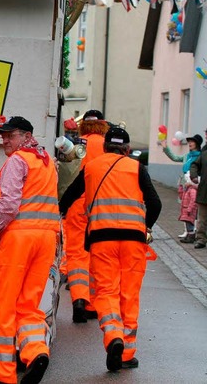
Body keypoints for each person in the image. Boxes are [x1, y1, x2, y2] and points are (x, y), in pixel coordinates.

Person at [60, 126, 161, 372]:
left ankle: (113, 334)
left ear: (105, 147)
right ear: (127, 149)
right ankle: (127, 353)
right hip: (133, 241)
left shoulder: (92, 168)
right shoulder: (137, 168)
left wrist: (59, 215)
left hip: (101, 239)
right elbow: (155, 204)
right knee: (129, 293)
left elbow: (68, 197)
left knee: (105, 291)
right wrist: (145, 227)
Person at [0, 116, 59, 384]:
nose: (4, 140)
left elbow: (10, 204)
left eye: (9, 135)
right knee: (29, 305)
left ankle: (3, 374)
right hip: (46, 238)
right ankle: (36, 351)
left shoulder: (18, 160)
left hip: (18, 238)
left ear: (26, 136)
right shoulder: (46, 161)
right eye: (2, 135)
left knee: (6, 305)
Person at [62, 110, 109, 323]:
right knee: (98, 255)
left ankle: (79, 299)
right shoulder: (110, 146)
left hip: (77, 204)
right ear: (103, 125)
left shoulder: (76, 145)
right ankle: (92, 303)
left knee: (76, 254)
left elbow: (66, 174)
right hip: (102, 206)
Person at [160, 133, 202, 242]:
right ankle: (188, 231)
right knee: (185, 206)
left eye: (192, 142)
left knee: (193, 208)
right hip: (184, 184)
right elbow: (175, 157)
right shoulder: (187, 156)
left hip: (194, 184)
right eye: (188, 142)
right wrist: (166, 148)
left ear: (197, 144)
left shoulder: (200, 156)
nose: (189, 144)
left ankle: (195, 231)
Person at [190, 138, 207, 249]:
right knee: (202, 218)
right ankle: (201, 239)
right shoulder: (204, 155)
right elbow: (194, 165)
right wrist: (194, 175)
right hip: (204, 191)